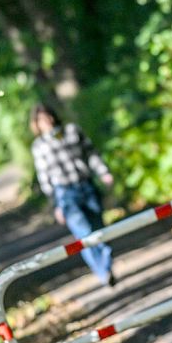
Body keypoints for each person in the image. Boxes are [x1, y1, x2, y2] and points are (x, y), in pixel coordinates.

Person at [30, 103, 116, 286]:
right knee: (84, 234)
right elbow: (44, 177)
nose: (46, 121)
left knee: (99, 230)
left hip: (86, 186)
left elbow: (91, 154)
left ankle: (106, 265)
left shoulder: (72, 131)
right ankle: (103, 272)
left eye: (47, 116)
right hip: (65, 194)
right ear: (36, 124)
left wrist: (103, 172)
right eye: (41, 119)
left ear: (53, 115)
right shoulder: (39, 146)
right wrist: (56, 204)